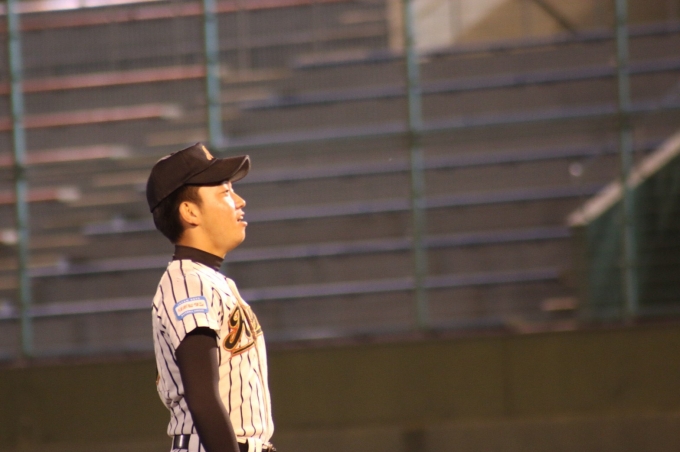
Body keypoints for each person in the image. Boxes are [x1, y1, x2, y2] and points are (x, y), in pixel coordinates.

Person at [146, 143, 275, 452]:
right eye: (225, 192)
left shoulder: (206, 279)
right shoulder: (187, 281)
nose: (240, 201)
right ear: (190, 212)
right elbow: (202, 398)